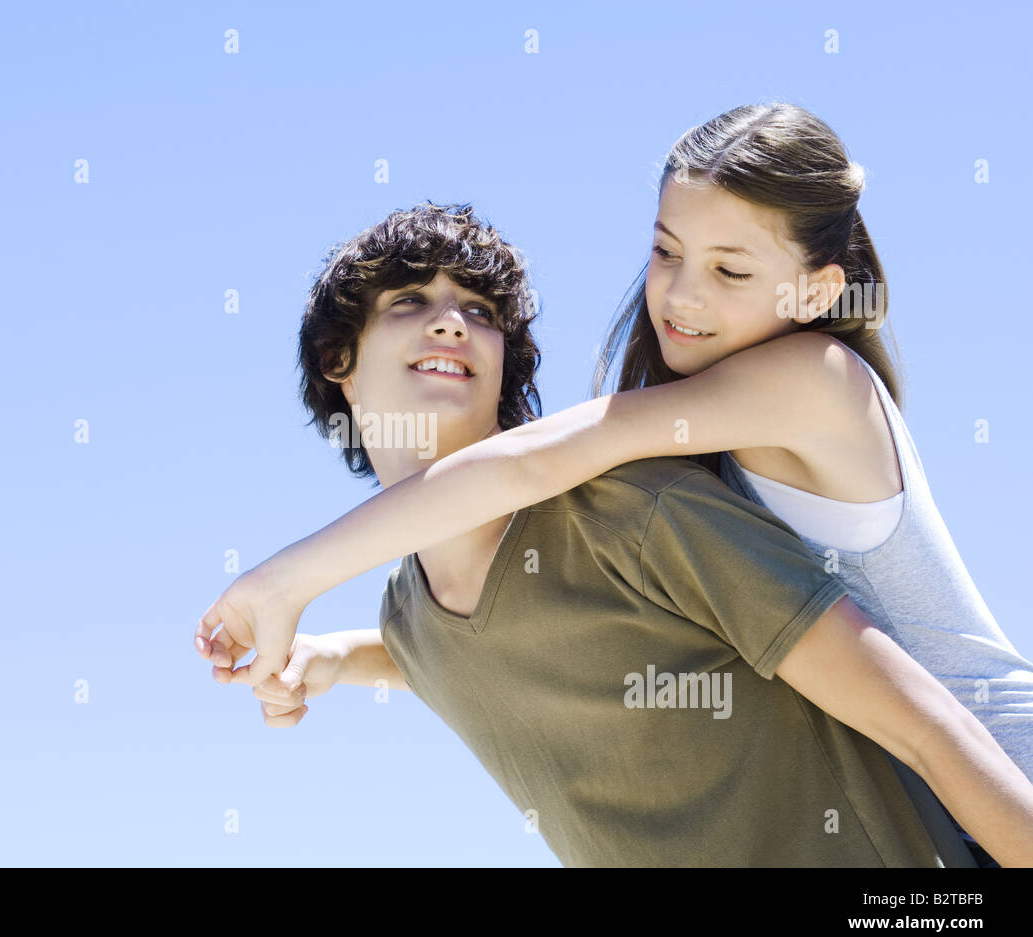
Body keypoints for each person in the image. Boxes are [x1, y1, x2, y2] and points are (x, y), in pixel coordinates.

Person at [197, 104, 1033, 865]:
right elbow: (519, 635)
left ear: (817, 288)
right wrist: (342, 654)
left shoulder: (810, 381)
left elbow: (532, 465)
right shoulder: (686, 429)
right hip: (934, 781)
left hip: (999, 782)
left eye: (730, 271)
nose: (681, 292)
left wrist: (286, 579)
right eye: (666, 251)